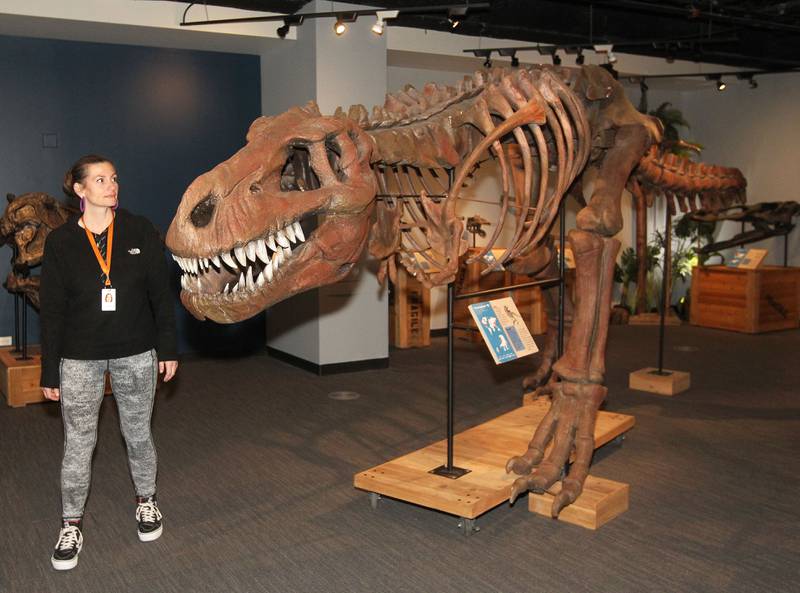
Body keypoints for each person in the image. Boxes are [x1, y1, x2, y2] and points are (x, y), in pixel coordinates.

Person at [40, 154, 178, 571]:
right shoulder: (61, 242)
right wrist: (50, 370)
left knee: (138, 434)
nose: (111, 185)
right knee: (79, 445)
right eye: (100, 180)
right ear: (80, 190)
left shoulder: (138, 230)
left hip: (136, 352)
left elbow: (160, 295)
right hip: (78, 358)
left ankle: (147, 502)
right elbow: (52, 312)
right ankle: (70, 524)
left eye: (114, 178)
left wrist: (168, 348)